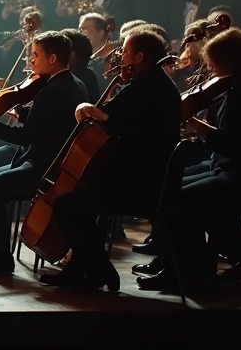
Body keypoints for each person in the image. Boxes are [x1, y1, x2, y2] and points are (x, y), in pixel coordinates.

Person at [139, 28, 241, 290]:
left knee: (176, 199)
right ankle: (184, 264)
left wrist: (199, 128)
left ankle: (186, 272)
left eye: (213, 61)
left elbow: (229, 144)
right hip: (235, 169)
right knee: (170, 186)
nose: (210, 67)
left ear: (229, 61)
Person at [38, 30, 181, 291]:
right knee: (83, 200)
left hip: (142, 185)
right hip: (147, 177)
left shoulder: (146, 86)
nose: (121, 57)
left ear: (139, 56)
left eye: (125, 52)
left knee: (67, 205)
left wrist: (99, 115)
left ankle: (99, 271)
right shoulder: (154, 82)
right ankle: (81, 269)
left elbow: (127, 125)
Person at [0, 31, 87, 275]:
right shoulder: (70, 83)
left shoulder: (54, 90)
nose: (30, 61)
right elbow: (46, 122)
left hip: (45, 168)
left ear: (52, 58)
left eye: (35, 55)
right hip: (45, 159)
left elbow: (26, 136)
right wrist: (14, 110)